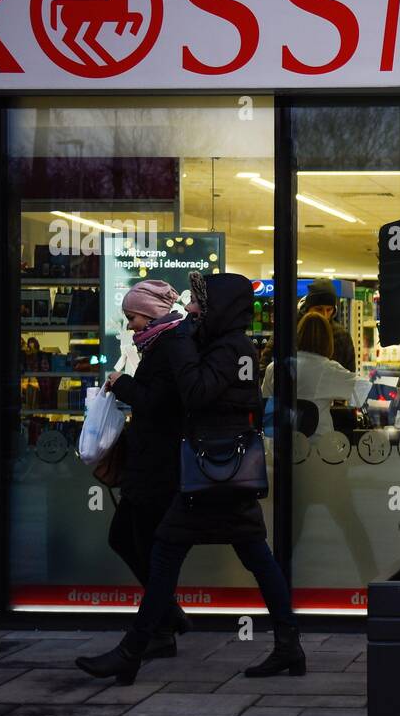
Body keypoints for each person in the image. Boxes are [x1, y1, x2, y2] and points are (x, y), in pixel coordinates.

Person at [77, 271, 304, 685]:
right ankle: (288, 644)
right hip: (219, 473)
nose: (193, 311)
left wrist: (180, 344)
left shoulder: (231, 349)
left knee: (175, 555)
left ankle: (135, 649)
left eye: (201, 304)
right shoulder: (224, 346)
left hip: (214, 472)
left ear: (222, 309)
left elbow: (197, 393)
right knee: (249, 556)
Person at [103, 279, 193, 658]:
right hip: (152, 465)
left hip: (159, 468)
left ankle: (161, 627)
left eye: (132, 317)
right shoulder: (161, 343)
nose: (130, 326)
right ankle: (167, 619)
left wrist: (122, 384)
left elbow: (159, 403)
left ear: (152, 312)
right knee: (132, 539)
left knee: (139, 542)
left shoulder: (169, 346)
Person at [262, 312, 359, 439]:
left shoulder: (274, 367)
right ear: (328, 340)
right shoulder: (327, 369)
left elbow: (264, 406)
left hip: (279, 448)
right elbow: (363, 392)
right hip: (317, 449)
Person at [299, 278, 355, 372]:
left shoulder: (342, 336)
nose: (324, 315)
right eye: (319, 309)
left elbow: (350, 372)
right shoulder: (292, 328)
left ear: (334, 310)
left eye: (329, 310)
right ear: (308, 308)